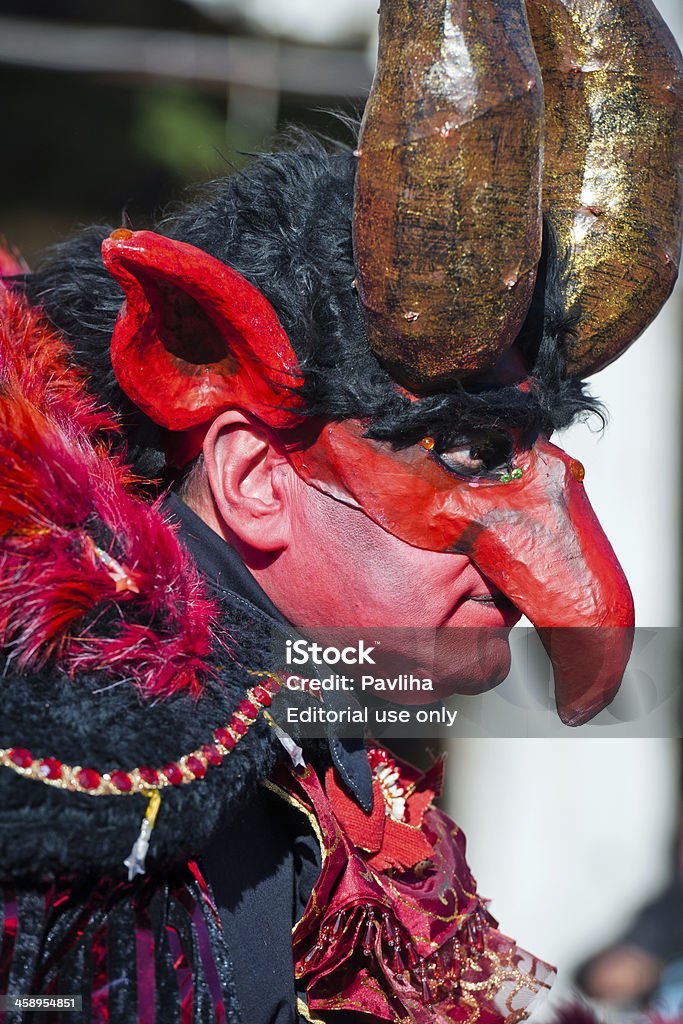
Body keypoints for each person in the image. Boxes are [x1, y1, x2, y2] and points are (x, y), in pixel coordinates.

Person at [1, 0, 681, 1021]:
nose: (556, 586)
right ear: (251, 477)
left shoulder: (309, 712)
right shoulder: (88, 783)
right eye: (467, 454)